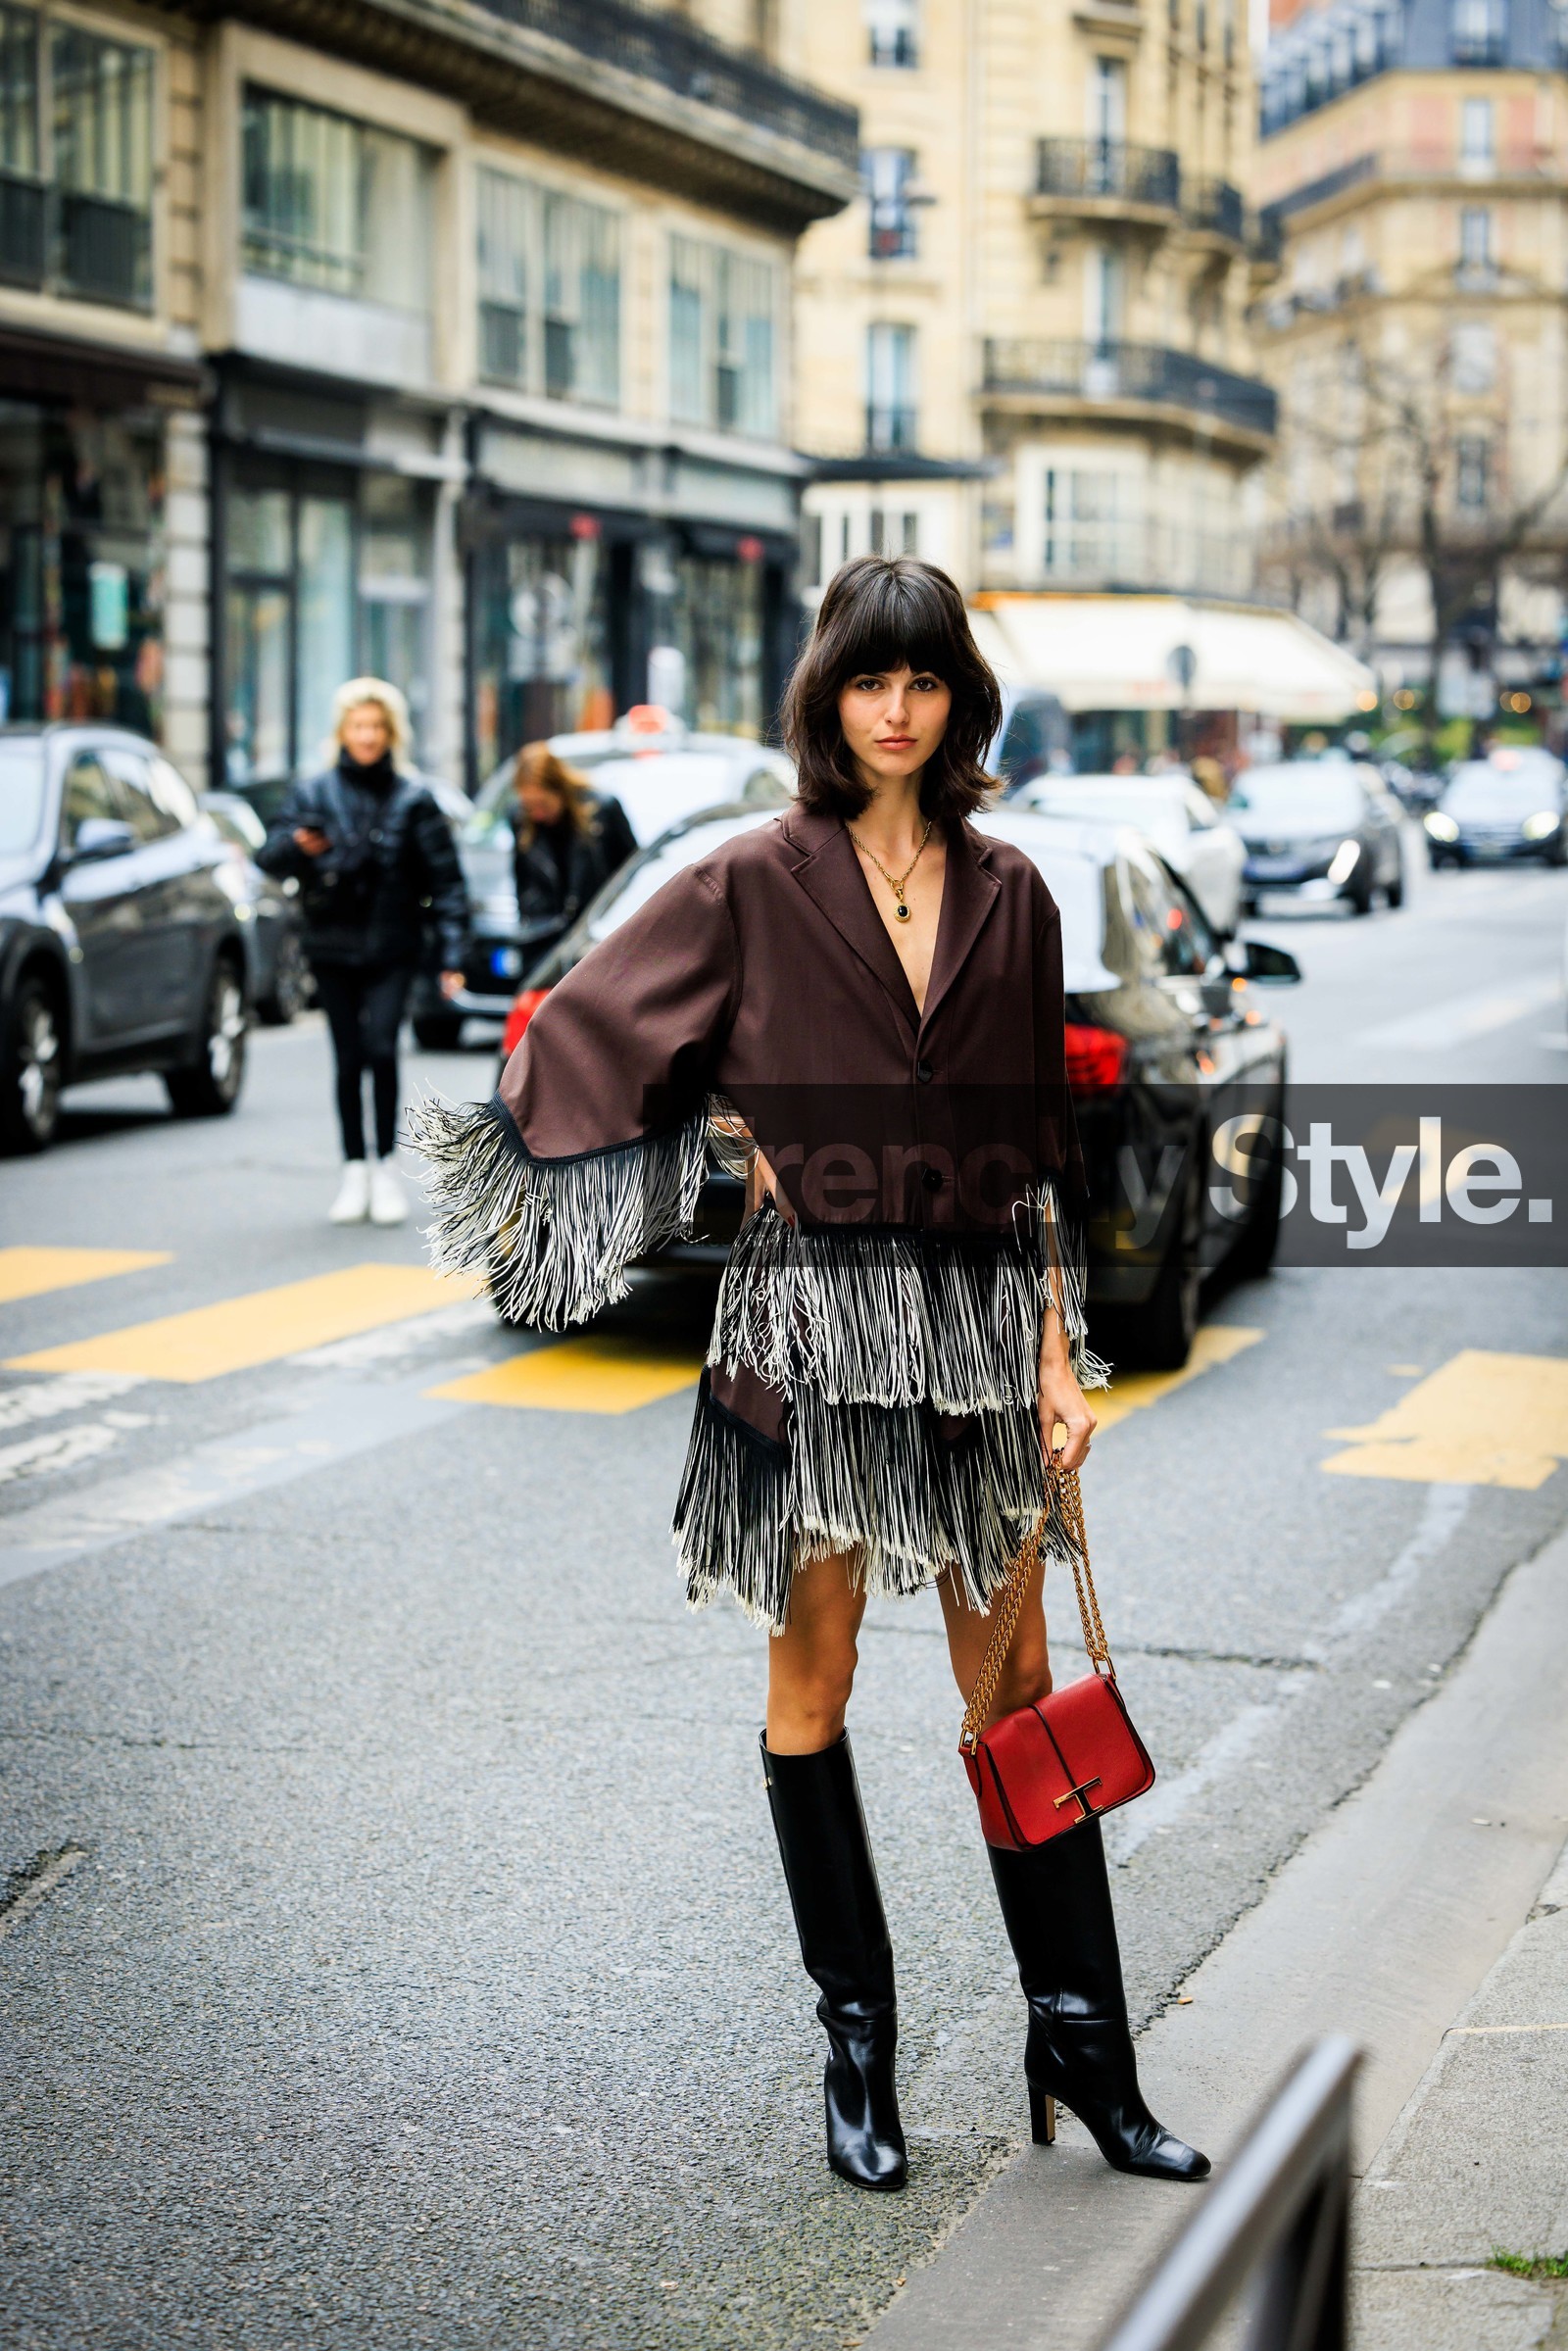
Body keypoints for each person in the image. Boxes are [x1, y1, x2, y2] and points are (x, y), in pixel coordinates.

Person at [413, 559, 1207, 2193]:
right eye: (870, 680)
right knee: (815, 1687)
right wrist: (724, 1137)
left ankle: (1090, 2046)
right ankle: (860, 2045)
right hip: (809, 1321)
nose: (898, 708)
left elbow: (1032, 1152)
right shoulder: (752, 880)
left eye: (925, 681)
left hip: (984, 1321)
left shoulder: (1015, 892)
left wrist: (1062, 1352)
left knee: (1014, 1693)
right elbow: (604, 1023)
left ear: (959, 702)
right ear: (830, 696)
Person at [259, 678, 467, 1228]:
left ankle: (385, 1168)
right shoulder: (313, 793)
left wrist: (452, 953)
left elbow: (445, 881)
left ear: (390, 733)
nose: (367, 736)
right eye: (358, 727)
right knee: (348, 1057)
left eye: (376, 727)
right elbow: (269, 857)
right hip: (330, 945)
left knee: (382, 1049)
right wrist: (296, 847)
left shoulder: (414, 798)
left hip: (393, 945)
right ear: (343, 733)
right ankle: (354, 1168)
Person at [511, 742, 637, 952]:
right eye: (529, 806)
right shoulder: (520, 818)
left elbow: (632, 872)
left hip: (595, 936)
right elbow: (521, 880)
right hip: (544, 941)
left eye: (543, 804)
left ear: (559, 789)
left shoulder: (603, 811)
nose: (537, 814)